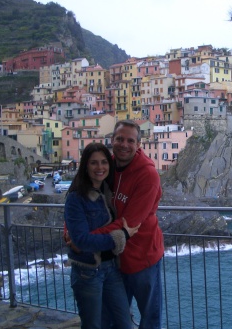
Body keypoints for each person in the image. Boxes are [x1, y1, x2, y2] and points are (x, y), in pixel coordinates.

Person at [90, 119, 164, 329]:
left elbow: (128, 223)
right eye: (119, 139)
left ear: (139, 144)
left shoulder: (148, 175)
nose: (124, 144)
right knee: (111, 317)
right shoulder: (106, 167)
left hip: (143, 258)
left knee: (149, 318)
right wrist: (72, 229)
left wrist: (86, 238)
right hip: (114, 258)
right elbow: (80, 198)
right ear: (112, 140)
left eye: (130, 140)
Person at [64, 142, 140, 329]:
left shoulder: (107, 191)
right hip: (87, 271)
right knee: (93, 326)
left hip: (111, 268)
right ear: (85, 166)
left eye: (104, 162)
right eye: (94, 163)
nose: (100, 167)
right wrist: (120, 236)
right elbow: (82, 240)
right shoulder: (75, 198)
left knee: (124, 323)